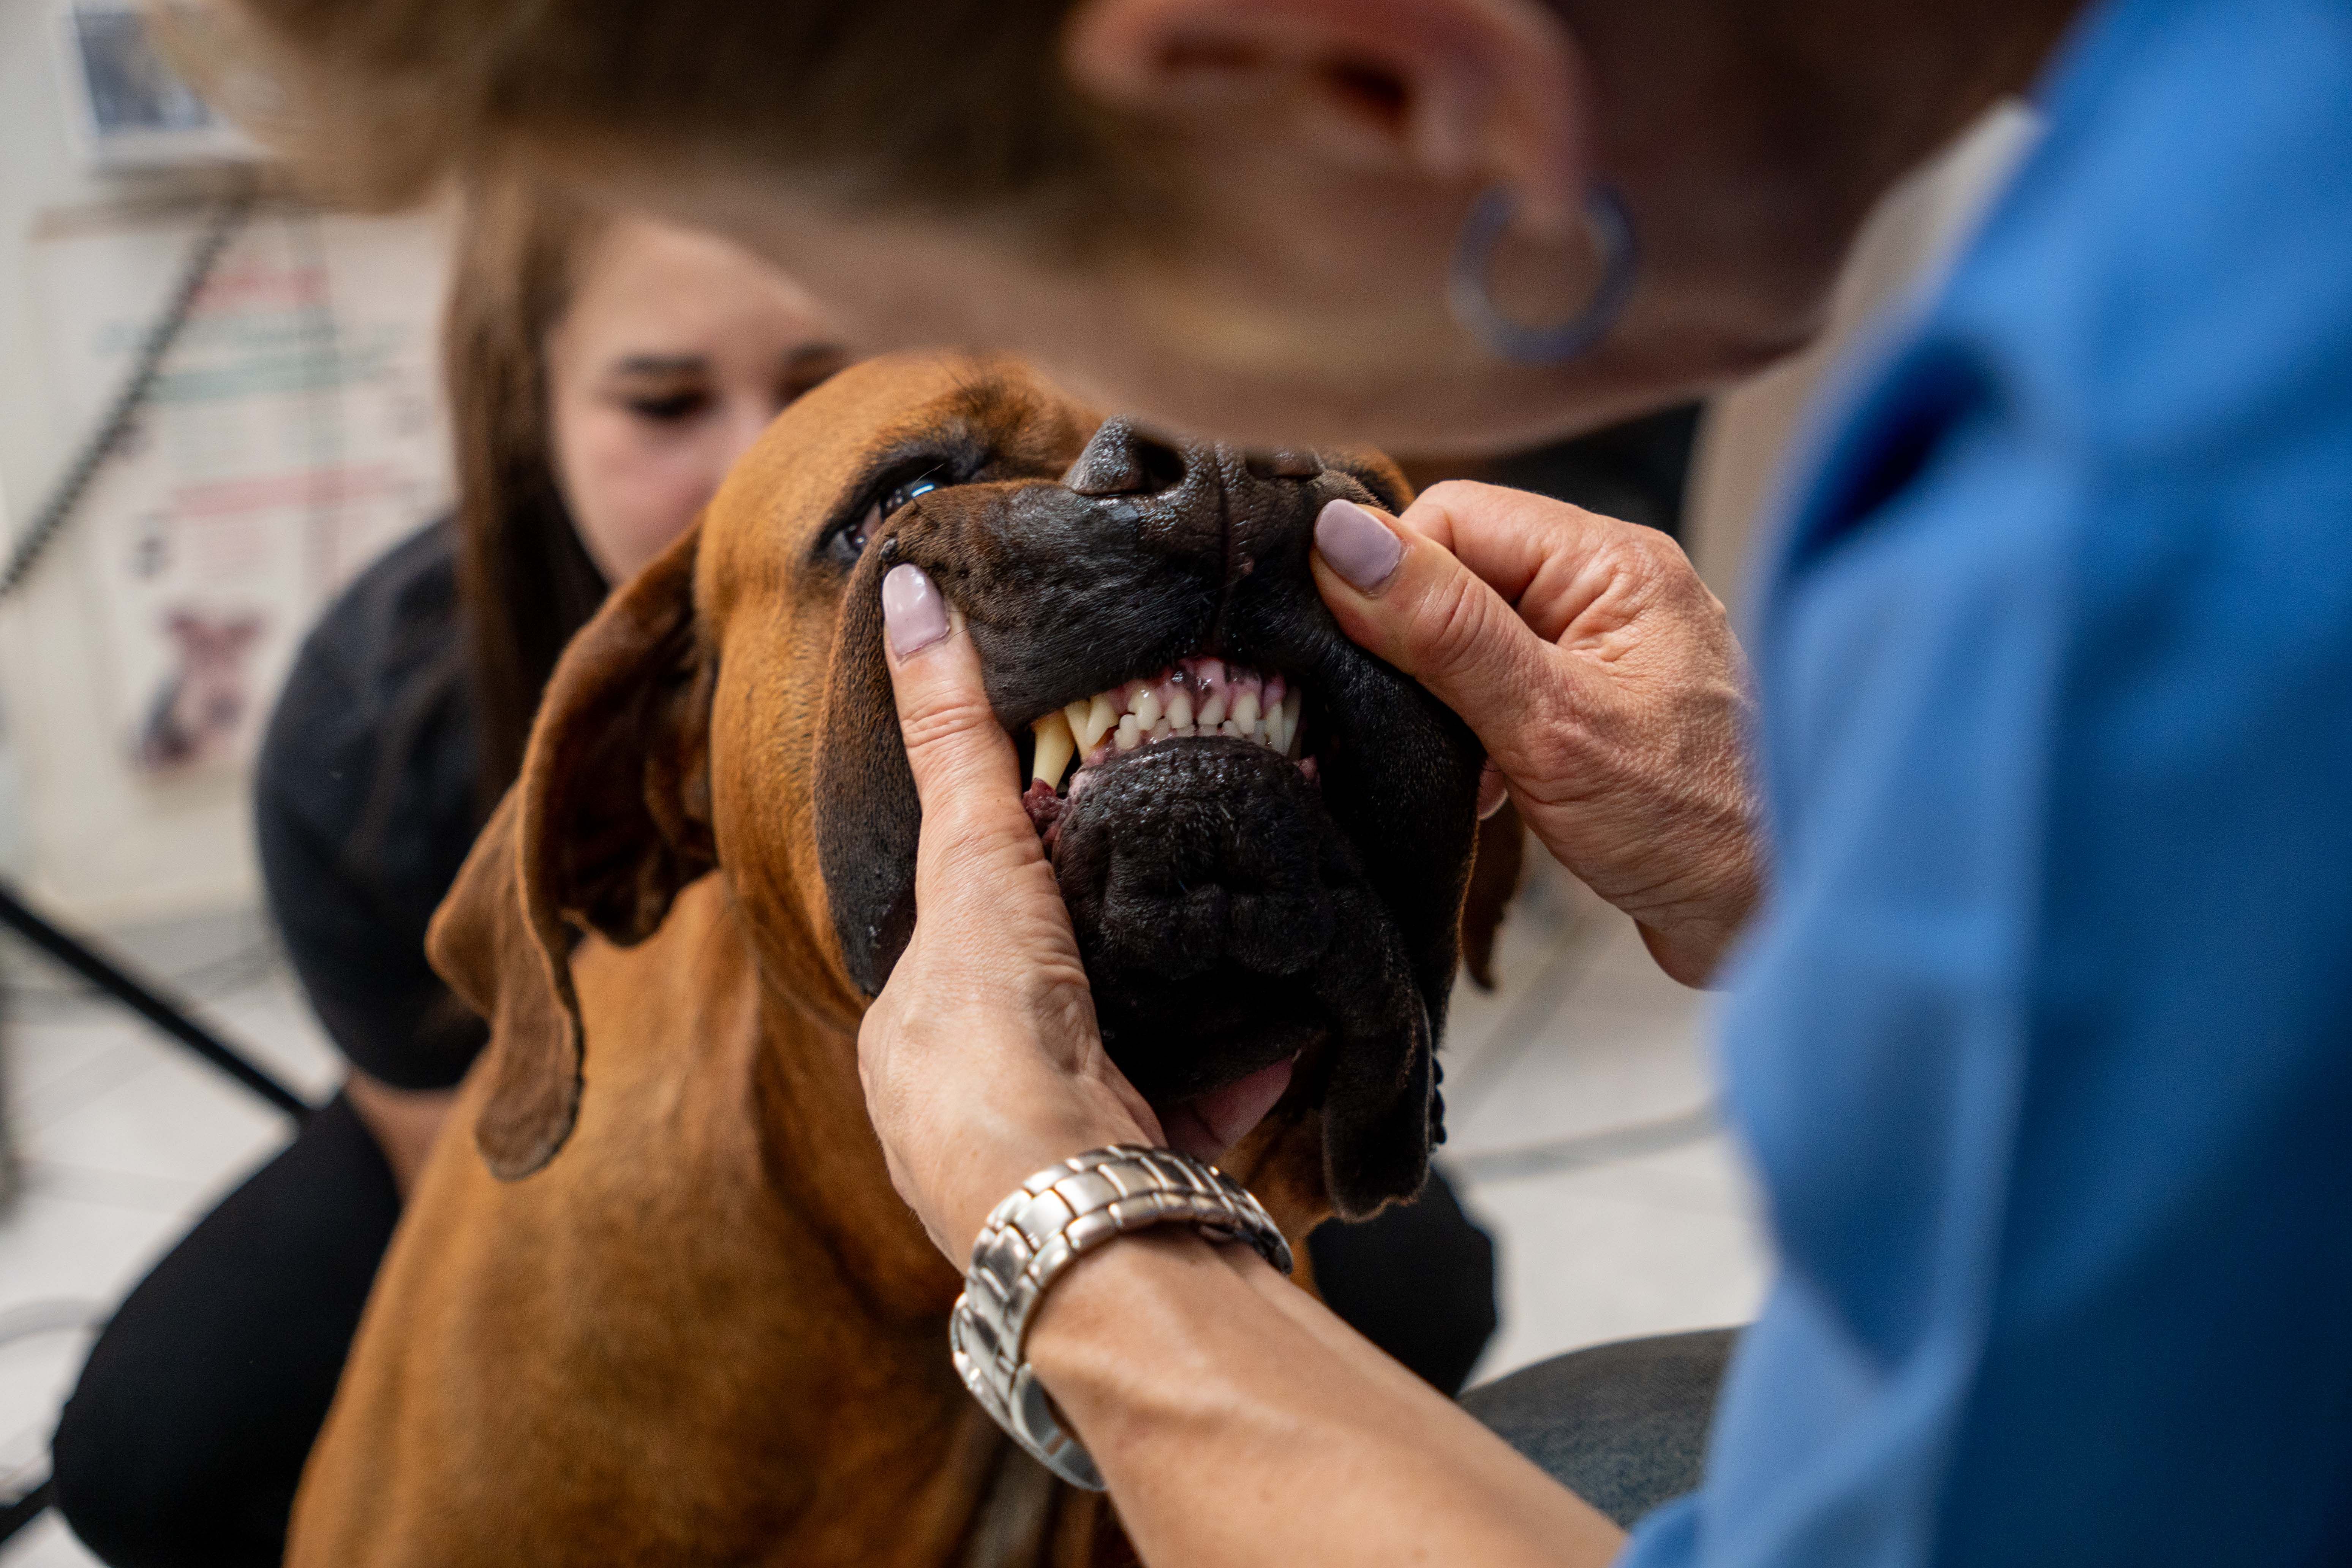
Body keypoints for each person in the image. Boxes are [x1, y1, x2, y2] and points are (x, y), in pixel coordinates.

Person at [202, 0, 2352, 1562]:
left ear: (1361, 70)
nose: (1162, 463)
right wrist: (1786, 862)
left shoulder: (2136, 532)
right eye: (941, 452)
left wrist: (1081, 1236)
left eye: (1117, 322)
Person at [47, 183, 853, 1567]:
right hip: (548, 1143)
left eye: (822, 385)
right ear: (525, 404)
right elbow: (492, 1188)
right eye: (664, 404)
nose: (765, 466)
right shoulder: (369, 730)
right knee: (145, 1451)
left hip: (947, 1127)